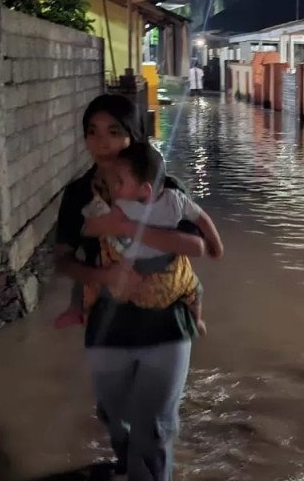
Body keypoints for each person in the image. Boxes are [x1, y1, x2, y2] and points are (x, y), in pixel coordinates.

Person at [53, 93, 211, 481]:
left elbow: (197, 245)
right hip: (107, 321)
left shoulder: (162, 191)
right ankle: (130, 471)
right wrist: (104, 276)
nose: (102, 142)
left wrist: (126, 228)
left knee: (154, 423)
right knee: (112, 412)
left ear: (134, 136)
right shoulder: (77, 197)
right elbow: (63, 259)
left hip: (166, 321)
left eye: (114, 132)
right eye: (92, 132)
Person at [84, 141, 222, 335]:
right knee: (195, 289)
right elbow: (202, 219)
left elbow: (94, 225)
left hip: (128, 283)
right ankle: (197, 321)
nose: (115, 186)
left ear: (145, 190)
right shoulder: (176, 199)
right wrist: (215, 245)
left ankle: (88, 311)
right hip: (167, 285)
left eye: (120, 182)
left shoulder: (122, 206)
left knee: (95, 273)